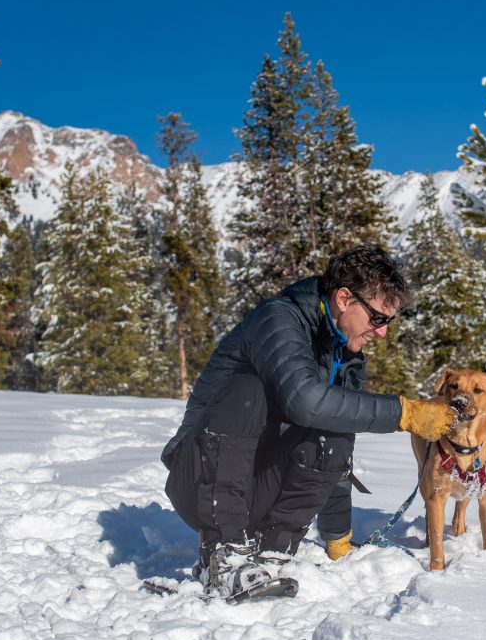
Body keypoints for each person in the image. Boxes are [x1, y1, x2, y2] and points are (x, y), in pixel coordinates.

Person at [161, 245, 458, 598]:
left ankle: (274, 550)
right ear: (345, 298)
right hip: (198, 482)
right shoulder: (278, 320)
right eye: (378, 318)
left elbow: (335, 431)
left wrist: (338, 536)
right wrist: (404, 414)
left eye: (388, 322)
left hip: (256, 489)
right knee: (247, 390)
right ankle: (223, 554)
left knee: (336, 422)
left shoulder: (345, 354)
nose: (382, 333)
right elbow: (303, 401)